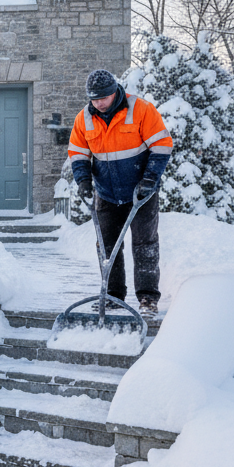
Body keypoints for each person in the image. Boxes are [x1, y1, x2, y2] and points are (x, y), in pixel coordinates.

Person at [67, 69, 173, 317]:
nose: (99, 104)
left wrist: (149, 180)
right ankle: (113, 296)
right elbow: (78, 152)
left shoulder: (141, 109)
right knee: (106, 247)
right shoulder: (84, 119)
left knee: (144, 244)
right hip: (106, 194)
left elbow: (162, 145)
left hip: (141, 192)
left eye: (103, 98)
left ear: (115, 92)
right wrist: (83, 181)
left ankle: (147, 298)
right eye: (94, 99)